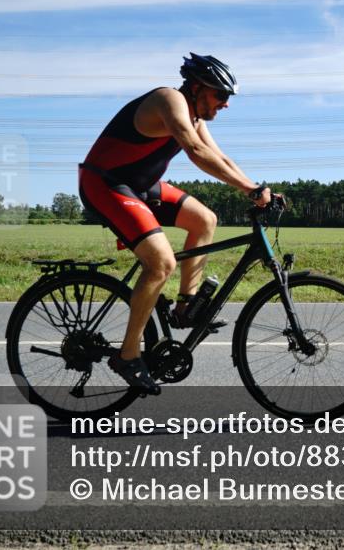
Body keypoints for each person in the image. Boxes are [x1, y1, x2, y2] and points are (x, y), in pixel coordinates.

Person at [79, 53, 271, 394]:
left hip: (138, 184)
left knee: (204, 220)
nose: (225, 105)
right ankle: (127, 355)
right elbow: (195, 151)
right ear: (197, 88)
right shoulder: (169, 100)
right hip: (105, 182)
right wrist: (248, 189)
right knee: (161, 263)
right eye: (221, 95)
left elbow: (220, 157)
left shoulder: (196, 115)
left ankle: (185, 309)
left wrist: (257, 188)